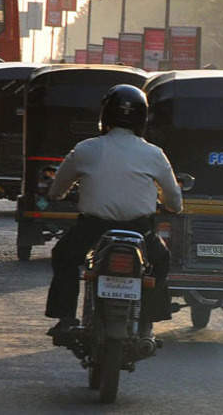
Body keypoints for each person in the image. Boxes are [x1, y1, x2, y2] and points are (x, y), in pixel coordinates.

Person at [44, 84, 182, 338]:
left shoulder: (86, 149)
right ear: (142, 118)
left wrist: (56, 195)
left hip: (93, 228)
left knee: (64, 255)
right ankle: (148, 325)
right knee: (160, 261)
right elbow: (173, 197)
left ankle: (66, 318)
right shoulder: (154, 154)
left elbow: (58, 187)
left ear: (105, 114)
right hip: (139, 230)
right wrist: (173, 207)